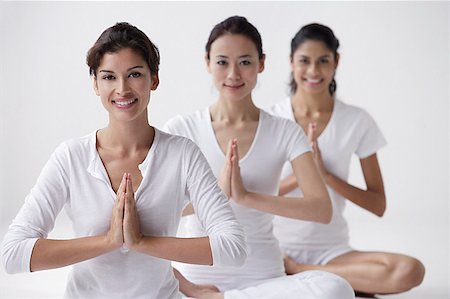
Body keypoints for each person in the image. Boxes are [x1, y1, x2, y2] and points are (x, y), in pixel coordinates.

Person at [1, 22, 248, 299]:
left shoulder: (182, 154)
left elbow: (234, 248)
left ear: (153, 79)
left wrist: (142, 242)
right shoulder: (71, 157)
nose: (122, 89)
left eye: (134, 74)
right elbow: (13, 254)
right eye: (108, 77)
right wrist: (108, 242)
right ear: (95, 83)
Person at [164, 16, 355, 299]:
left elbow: (321, 209)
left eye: (244, 62)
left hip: (263, 278)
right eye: (222, 62)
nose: (233, 74)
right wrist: (218, 193)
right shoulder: (181, 129)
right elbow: (151, 211)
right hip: (199, 276)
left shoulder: (284, 130)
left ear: (261, 64)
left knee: (336, 289)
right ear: (207, 63)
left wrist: (246, 197)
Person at [267, 23, 425, 296]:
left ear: (336, 62)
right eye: (305, 61)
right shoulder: (269, 119)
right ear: (291, 62)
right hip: (274, 248)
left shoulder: (357, 120)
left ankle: (300, 271)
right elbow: (246, 195)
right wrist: (306, 175)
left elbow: (378, 204)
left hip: (332, 251)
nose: (314, 71)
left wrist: (326, 176)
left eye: (323, 61)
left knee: (410, 270)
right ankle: (321, 280)